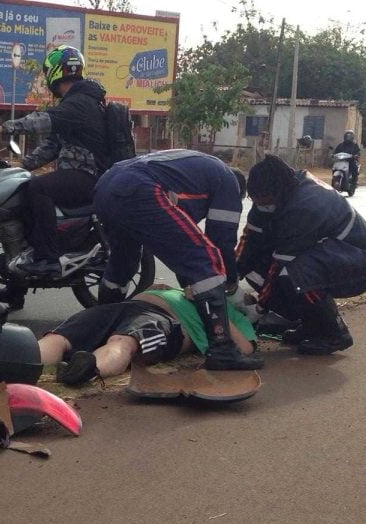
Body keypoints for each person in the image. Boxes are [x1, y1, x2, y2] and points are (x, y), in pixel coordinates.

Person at [92, 149, 262, 371]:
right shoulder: (227, 181)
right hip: (140, 188)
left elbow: (180, 249)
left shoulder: (193, 174)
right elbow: (221, 240)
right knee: (205, 259)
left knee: (122, 264)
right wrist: (230, 284)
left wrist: (191, 283)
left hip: (106, 187)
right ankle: (222, 350)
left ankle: (99, 327)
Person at [0, 45, 109, 310]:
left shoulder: (79, 102)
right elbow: (52, 146)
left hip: (88, 176)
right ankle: (16, 288)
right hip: (77, 173)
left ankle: (48, 258)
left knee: (37, 188)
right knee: (25, 190)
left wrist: (2, 129)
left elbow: (42, 121)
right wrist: (21, 167)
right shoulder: (77, 103)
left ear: (55, 72)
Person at [237, 154, 366, 355]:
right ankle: (313, 325)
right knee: (256, 272)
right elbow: (251, 238)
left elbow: (279, 265)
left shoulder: (305, 207)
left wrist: (260, 309)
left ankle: (334, 333)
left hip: (360, 261)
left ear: (277, 193)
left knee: (294, 275)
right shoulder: (275, 188)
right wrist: (231, 277)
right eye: (255, 200)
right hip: (331, 254)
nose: (260, 205)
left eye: (265, 201)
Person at [38, 285, 259, 386]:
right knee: (60, 337)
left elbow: (245, 348)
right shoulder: (191, 288)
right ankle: (20, 361)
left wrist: (214, 305)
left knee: (124, 341)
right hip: (129, 306)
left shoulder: (234, 317)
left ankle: (88, 369)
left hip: (165, 320)